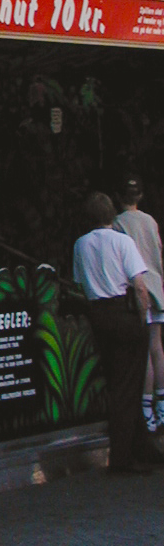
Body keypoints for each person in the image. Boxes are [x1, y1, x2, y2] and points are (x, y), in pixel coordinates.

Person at [73, 191, 163, 474]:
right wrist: (141, 316)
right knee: (129, 384)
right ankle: (123, 456)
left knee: (118, 379)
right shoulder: (122, 241)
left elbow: (80, 282)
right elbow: (139, 285)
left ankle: (141, 446)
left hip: (99, 314)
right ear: (111, 214)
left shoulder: (81, 244)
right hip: (123, 311)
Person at [114, 176, 164, 430]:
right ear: (140, 196)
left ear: (117, 196)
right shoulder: (151, 221)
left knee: (144, 352)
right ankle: (163, 405)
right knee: (157, 347)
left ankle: (146, 410)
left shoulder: (117, 224)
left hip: (137, 292)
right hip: (157, 287)